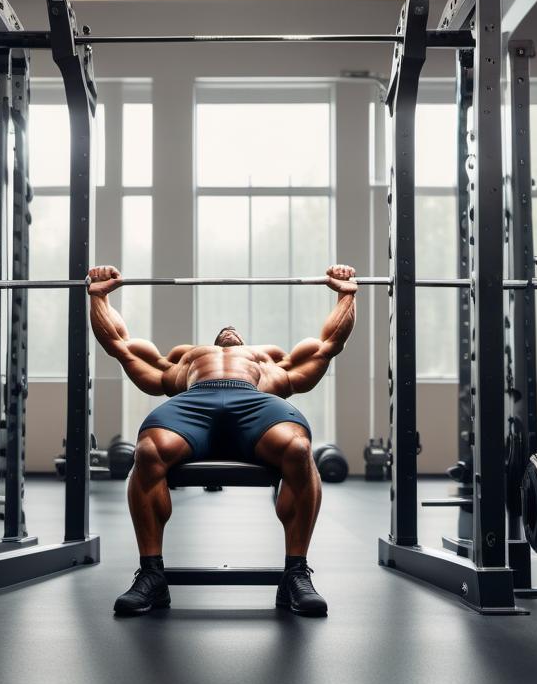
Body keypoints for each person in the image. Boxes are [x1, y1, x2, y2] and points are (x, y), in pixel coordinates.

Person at [87, 263, 358, 617]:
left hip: (255, 403)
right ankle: (151, 575)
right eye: (223, 330)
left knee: (298, 448)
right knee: (149, 451)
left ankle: (295, 574)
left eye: (235, 330)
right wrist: (99, 297)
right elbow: (121, 345)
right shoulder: (187, 358)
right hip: (194, 402)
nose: (229, 331)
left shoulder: (268, 358)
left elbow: (328, 344)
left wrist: (346, 293)